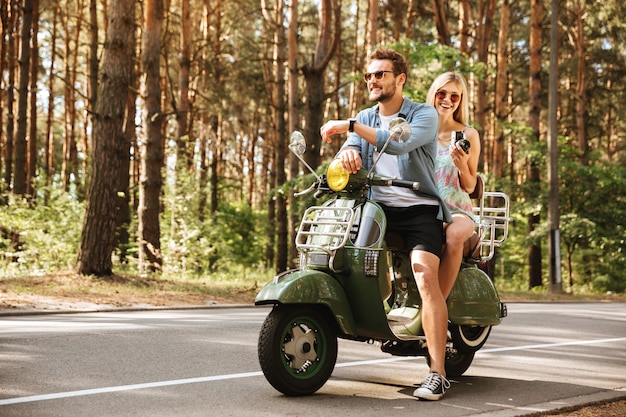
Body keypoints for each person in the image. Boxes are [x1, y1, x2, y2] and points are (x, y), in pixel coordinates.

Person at [320, 48, 453, 401]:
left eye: (380, 74)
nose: (373, 80)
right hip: (375, 209)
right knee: (338, 258)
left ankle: (437, 372)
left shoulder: (423, 114)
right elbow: (348, 148)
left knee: (425, 275)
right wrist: (345, 153)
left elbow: (399, 142)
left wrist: (350, 127)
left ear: (400, 79)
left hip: (419, 209)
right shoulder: (365, 115)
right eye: (369, 76)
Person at [426, 72, 481, 299]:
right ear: (434, 95)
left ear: (460, 101)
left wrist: (461, 165)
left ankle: (437, 305)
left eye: (454, 96)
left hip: (457, 211)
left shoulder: (468, 134)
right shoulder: (421, 132)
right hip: (426, 209)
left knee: (455, 235)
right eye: (442, 93)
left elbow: (469, 187)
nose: (447, 100)